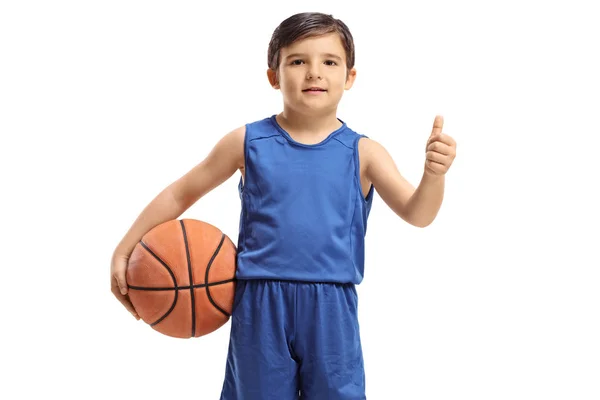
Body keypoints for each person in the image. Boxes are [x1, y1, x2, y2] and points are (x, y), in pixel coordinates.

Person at [110, 11, 456, 400]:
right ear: (274, 75)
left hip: (331, 308)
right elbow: (180, 193)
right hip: (259, 305)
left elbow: (418, 213)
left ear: (350, 76)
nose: (314, 73)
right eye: (297, 61)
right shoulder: (246, 142)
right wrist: (125, 249)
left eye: (329, 61)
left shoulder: (365, 153)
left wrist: (434, 175)